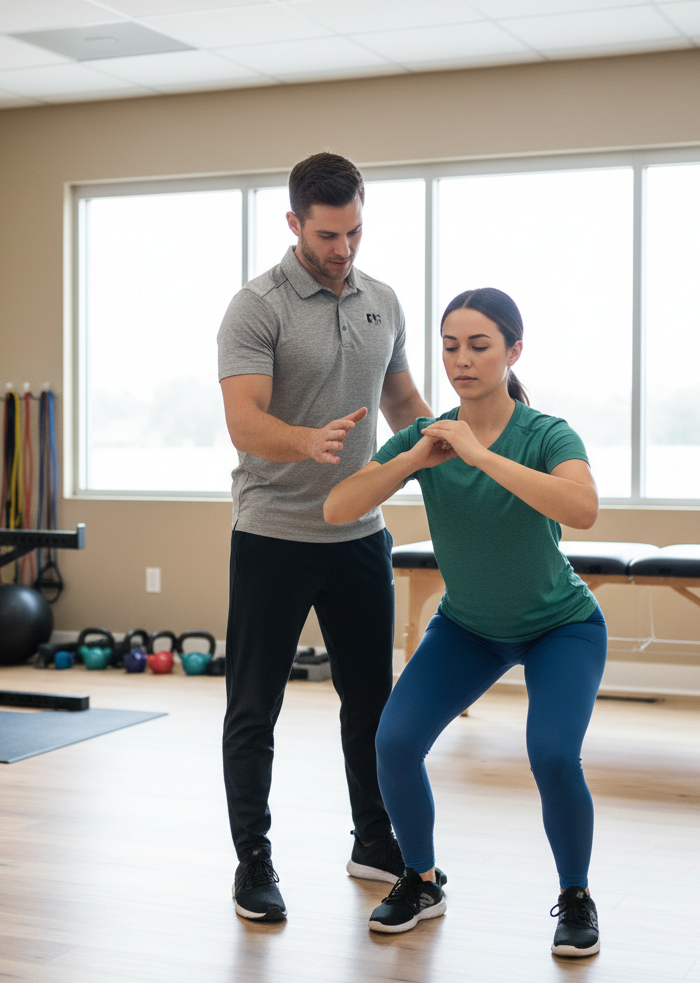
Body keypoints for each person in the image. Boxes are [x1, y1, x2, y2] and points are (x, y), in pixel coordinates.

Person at [324, 287, 606, 956]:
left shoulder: (546, 433)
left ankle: (576, 897)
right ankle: (420, 881)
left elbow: (582, 508)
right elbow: (339, 507)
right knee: (392, 744)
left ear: (513, 351)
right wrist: (413, 460)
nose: (462, 360)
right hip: (469, 628)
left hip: (560, 626)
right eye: (450, 346)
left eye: (479, 346)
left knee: (553, 754)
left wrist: (481, 456)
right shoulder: (429, 438)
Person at [217, 152, 433, 922]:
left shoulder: (383, 300)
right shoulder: (257, 307)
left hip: (359, 534)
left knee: (371, 700)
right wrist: (305, 442)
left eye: (355, 231)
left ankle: (374, 839)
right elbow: (244, 420)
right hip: (273, 533)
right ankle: (253, 863)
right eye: (328, 233)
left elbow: (403, 399)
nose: (344, 248)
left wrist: (456, 450)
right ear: (294, 224)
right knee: (255, 706)